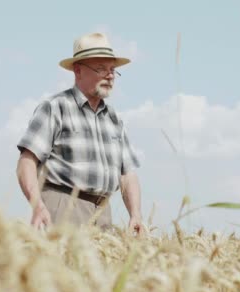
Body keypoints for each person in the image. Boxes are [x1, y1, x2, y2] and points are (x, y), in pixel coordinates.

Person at [16, 32, 144, 235]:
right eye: (101, 69)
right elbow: (27, 161)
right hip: (62, 207)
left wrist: (135, 214)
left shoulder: (114, 119)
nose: (110, 75)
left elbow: (127, 174)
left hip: (102, 213)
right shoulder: (55, 107)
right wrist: (37, 205)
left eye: (112, 70)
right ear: (78, 70)